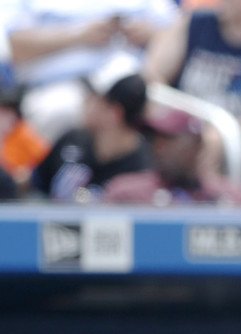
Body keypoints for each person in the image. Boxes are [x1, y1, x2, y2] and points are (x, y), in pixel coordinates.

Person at [5, 0, 177, 142]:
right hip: (61, 85)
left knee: (165, 112)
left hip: (131, 79)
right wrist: (79, 35)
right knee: (57, 111)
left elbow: (178, 31)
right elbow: (16, 46)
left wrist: (151, 33)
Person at [143, 0, 241, 122]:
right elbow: (150, 77)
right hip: (178, 134)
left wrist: (222, 132)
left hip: (232, 149)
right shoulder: (194, 23)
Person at [30, 55, 152, 201]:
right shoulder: (73, 139)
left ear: (114, 112)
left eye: (94, 97)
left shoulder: (143, 168)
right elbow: (33, 185)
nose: (85, 101)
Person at [102, 105, 241, 204]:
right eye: (155, 140)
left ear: (196, 145)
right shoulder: (126, 193)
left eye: (169, 140)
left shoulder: (236, 197)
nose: (159, 148)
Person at [0, 83, 49, 194]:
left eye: (10, 111)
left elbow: (44, 165)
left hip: (19, 194)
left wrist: (24, 174)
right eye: (4, 110)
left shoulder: (23, 132)